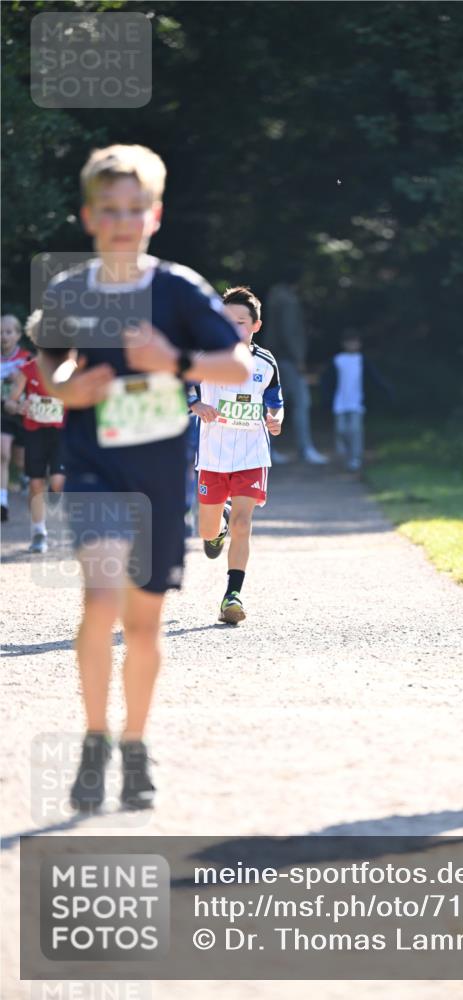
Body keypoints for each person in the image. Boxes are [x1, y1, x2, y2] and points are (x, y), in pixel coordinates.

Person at [36, 144, 252, 811]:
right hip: (97, 470)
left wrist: (176, 359)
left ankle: (134, 743)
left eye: (135, 209)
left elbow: (237, 368)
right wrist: (73, 388)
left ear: (154, 215)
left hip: (159, 475)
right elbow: (50, 372)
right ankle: (94, 739)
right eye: (110, 209)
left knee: (145, 622)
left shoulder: (177, 289)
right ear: (89, 216)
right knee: (101, 600)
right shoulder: (70, 292)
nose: (123, 220)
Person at [192, 285, 283, 624]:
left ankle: (233, 595)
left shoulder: (266, 361)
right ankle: (219, 525)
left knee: (245, 523)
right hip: (214, 455)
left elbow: (276, 401)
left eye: (241, 322)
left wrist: (276, 420)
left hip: (251, 453)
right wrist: (195, 404)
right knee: (205, 531)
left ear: (255, 326)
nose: (234, 329)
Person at [4, 311, 66, 553]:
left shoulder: (68, 369)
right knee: (36, 484)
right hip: (35, 432)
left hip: (61, 432)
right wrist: (19, 406)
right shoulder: (27, 370)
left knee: (58, 483)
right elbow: (10, 402)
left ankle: (53, 510)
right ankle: (39, 532)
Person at [264, 268, 327, 464]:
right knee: (301, 403)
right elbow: (290, 332)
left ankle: (268, 448)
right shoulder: (289, 301)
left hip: (273, 357)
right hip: (289, 360)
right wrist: (299, 358)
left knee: (272, 403)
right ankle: (305, 448)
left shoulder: (273, 296)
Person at [320, 329, 393, 472]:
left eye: (355, 342)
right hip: (340, 402)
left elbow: (374, 378)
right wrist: (326, 398)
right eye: (349, 342)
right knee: (341, 430)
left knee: (355, 430)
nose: (352, 345)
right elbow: (327, 381)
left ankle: (355, 458)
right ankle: (348, 454)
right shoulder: (337, 360)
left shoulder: (362, 360)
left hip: (357, 402)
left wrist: (385, 388)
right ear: (344, 344)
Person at [0, 314, 31, 521]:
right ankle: (2, 502)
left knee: (20, 459)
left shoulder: (27, 358)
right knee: (2, 455)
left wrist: (19, 380)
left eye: (8, 332)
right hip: (2, 412)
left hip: (21, 412)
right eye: (0, 332)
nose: (3, 336)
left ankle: (26, 476)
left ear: (18, 335)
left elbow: (36, 385)